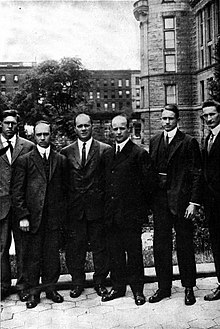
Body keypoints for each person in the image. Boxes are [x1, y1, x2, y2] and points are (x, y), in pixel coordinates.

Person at [149, 104, 202, 305]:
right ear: (160, 120)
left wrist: (193, 202)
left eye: (170, 118)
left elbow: (196, 174)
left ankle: (189, 287)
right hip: (160, 203)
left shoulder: (188, 142)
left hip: (181, 203)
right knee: (160, 246)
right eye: (164, 118)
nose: (167, 122)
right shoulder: (155, 142)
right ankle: (164, 287)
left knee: (185, 245)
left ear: (177, 120)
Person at [101, 114, 157, 306]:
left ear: (129, 129)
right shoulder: (107, 155)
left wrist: (141, 214)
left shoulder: (138, 154)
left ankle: (138, 290)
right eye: (115, 129)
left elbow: (148, 187)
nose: (118, 132)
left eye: (122, 128)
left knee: (134, 254)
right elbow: (104, 185)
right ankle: (118, 288)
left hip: (130, 215)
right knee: (115, 253)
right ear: (111, 130)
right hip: (111, 215)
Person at [11, 120, 67, 308]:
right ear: (34, 137)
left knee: (51, 256)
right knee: (32, 257)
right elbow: (17, 192)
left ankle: (51, 289)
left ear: (51, 134)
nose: (43, 138)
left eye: (46, 134)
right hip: (32, 219)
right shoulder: (24, 160)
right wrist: (23, 216)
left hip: (53, 218)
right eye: (39, 135)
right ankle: (34, 293)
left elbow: (65, 190)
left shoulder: (60, 160)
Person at [60, 113, 110, 298]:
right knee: (75, 248)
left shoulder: (105, 150)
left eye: (86, 125)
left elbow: (108, 181)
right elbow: (63, 184)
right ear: (75, 128)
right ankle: (77, 283)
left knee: (100, 248)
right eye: (79, 126)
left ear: (92, 127)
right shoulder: (66, 152)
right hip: (75, 211)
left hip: (97, 209)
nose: (83, 129)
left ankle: (100, 282)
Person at [0, 109, 34, 301]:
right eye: (6, 123)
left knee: (23, 248)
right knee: (2, 248)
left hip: (21, 208)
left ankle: (23, 286)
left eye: (13, 123)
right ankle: (3, 285)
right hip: (1, 207)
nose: (10, 126)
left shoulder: (28, 146)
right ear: (1, 124)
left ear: (18, 125)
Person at [201, 99, 220, 301]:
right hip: (213, 204)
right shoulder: (207, 138)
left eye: (211, 114)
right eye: (205, 115)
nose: (208, 119)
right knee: (217, 244)